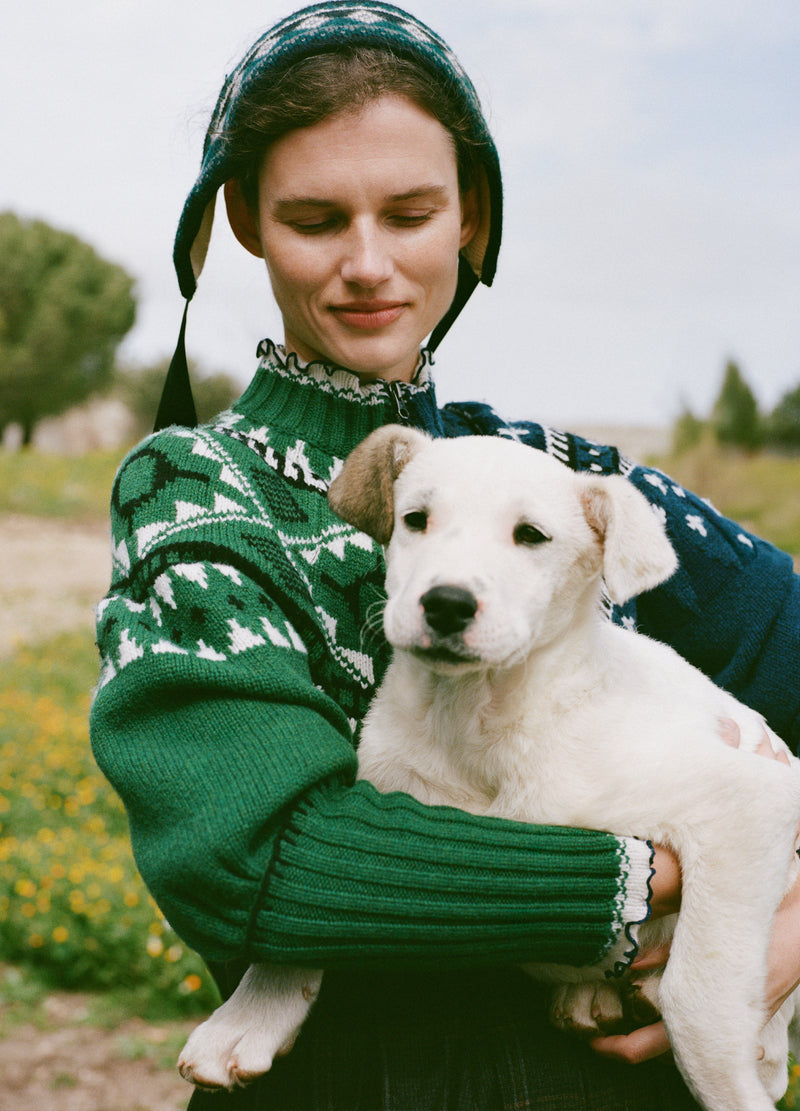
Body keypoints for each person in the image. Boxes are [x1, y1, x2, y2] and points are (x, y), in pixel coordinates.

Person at [90, 3, 800, 1108]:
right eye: (315, 218)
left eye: (411, 213)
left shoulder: (566, 478)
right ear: (242, 219)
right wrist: (651, 877)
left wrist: (785, 916)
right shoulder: (195, 489)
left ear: (471, 217)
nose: (367, 264)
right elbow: (260, 863)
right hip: (346, 1082)